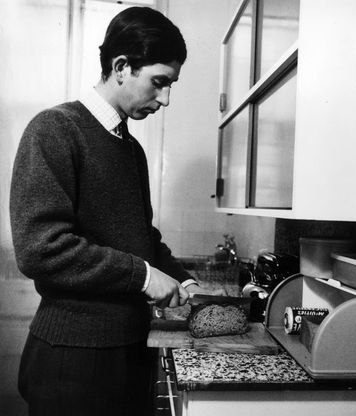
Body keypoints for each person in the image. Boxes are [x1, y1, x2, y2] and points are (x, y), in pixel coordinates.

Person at [10, 6, 208, 415]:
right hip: (73, 360)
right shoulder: (54, 130)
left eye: (171, 85)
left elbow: (142, 239)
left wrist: (186, 283)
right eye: (159, 82)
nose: (166, 99)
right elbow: (40, 249)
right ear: (121, 66)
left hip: (128, 350)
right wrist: (142, 276)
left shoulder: (131, 149)